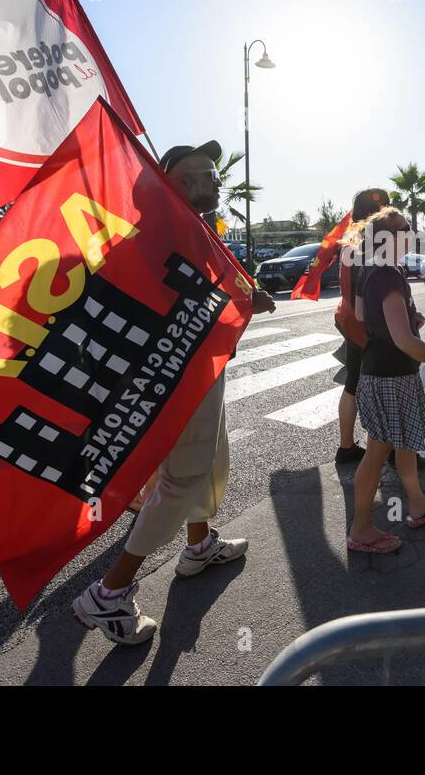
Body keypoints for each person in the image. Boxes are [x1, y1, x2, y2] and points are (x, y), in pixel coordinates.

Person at [72, 140, 277, 645]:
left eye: (214, 171)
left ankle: (199, 544)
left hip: (201, 370)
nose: (214, 179)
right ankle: (108, 594)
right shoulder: (162, 230)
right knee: (183, 478)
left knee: (211, 461)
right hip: (175, 376)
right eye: (203, 173)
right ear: (174, 183)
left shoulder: (192, 229)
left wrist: (245, 296)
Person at [347, 207, 425, 553]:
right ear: (387, 238)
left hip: (383, 370)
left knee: (404, 444)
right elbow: (404, 341)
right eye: (402, 229)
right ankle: (361, 528)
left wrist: (408, 317)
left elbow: (360, 314)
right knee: (378, 449)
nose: (409, 233)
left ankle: (416, 503)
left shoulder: (373, 269)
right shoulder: (388, 274)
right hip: (390, 374)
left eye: (408, 227)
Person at [333, 187, 425, 470]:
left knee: (354, 384)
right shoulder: (367, 248)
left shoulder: (351, 240)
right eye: (384, 207)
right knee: (383, 386)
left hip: (351, 319)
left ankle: (348, 446)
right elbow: (374, 294)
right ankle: (389, 450)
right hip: (367, 328)